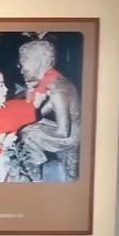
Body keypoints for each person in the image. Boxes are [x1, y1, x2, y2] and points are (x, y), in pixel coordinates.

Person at [18, 40, 81, 181]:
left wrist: (34, 128)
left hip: (71, 136)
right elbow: (37, 114)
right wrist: (30, 91)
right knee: (29, 127)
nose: (21, 70)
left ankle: (35, 179)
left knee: (27, 135)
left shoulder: (58, 89)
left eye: (23, 64)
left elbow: (63, 132)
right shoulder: (54, 80)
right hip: (74, 130)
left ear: (37, 63)